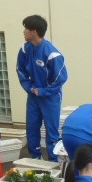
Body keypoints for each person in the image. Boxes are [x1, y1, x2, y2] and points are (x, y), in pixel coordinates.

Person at [16, 15, 68, 162]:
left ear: (34, 32)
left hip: (50, 97)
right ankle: (35, 157)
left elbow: (61, 78)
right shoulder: (25, 49)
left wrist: (43, 91)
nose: (24, 31)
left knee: (51, 131)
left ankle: (54, 161)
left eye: (26, 29)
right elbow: (20, 70)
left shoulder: (52, 53)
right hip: (33, 95)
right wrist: (29, 88)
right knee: (32, 127)